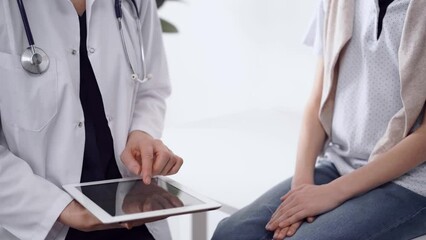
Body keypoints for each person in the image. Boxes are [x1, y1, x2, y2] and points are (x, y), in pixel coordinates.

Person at [212, 0, 426, 239]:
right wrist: (302, 187)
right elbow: (318, 99)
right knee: (231, 233)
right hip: (339, 164)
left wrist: (333, 193)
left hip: (411, 181)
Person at [0, 0, 183, 239]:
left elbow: (152, 87)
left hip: (131, 216)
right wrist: (59, 208)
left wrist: (141, 132)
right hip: (44, 219)